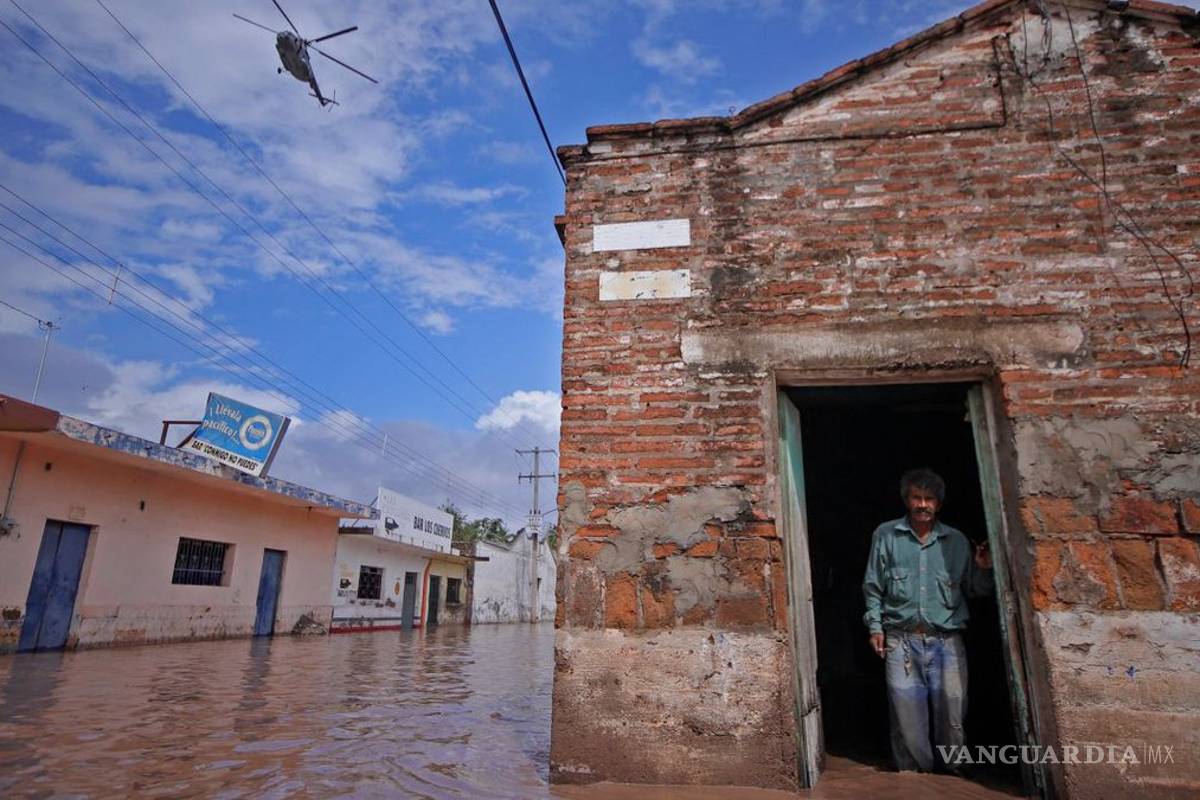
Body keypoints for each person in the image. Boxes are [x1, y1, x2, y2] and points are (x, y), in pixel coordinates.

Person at [862, 468, 994, 773]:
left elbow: (975, 590)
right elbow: (873, 586)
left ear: (939, 504)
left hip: (946, 641)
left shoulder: (957, 541)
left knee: (953, 714)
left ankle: (951, 779)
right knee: (906, 717)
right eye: (916, 498)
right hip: (901, 640)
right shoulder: (886, 535)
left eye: (929, 499)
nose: (923, 504)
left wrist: (985, 569)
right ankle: (914, 782)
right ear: (907, 501)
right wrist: (875, 627)